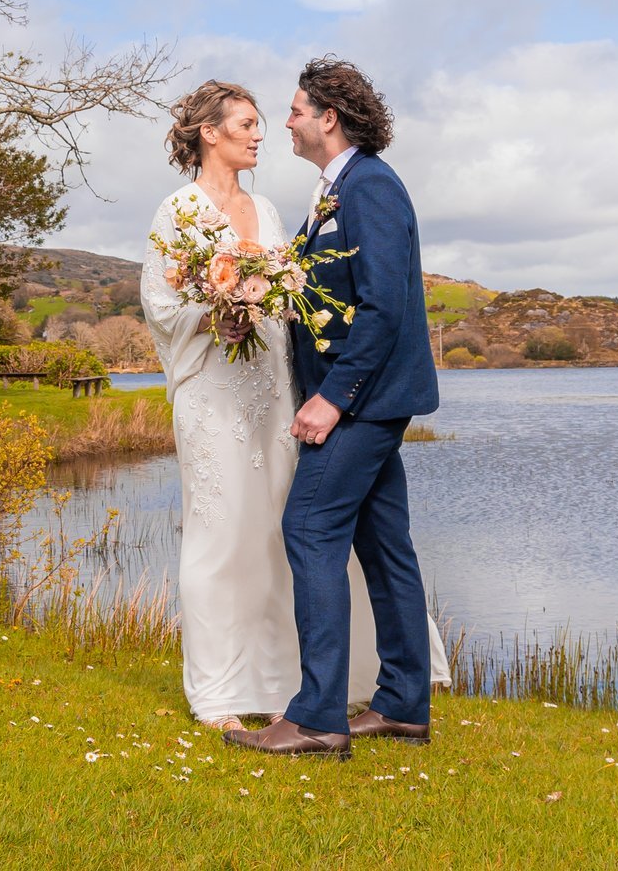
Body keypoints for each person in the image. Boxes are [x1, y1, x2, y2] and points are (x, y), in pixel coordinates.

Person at [138, 78, 445, 735]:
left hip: (284, 397)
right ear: (209, 132)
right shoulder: (178, 211)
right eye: (247, 122)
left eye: (280, 116)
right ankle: (222, 690)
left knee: (293, 538)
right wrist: (215, 312)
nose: (265, 130)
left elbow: (311, 298)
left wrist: (320, 383)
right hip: (218, 396)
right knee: (223, 538)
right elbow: (161, 308)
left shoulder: (280, 208)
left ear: (328, 119)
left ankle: (300, 693)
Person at [227, 58, 440, 760]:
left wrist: (331, 398)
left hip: (362, 402)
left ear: (329, 118)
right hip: (364, 399)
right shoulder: (335, 192)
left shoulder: (369, 188)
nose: (283, 122)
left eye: (293, 110)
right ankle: (405, 704)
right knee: (383, 545)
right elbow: (322, 294)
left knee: (310, 527)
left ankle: (318, 716)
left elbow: (383, 308)